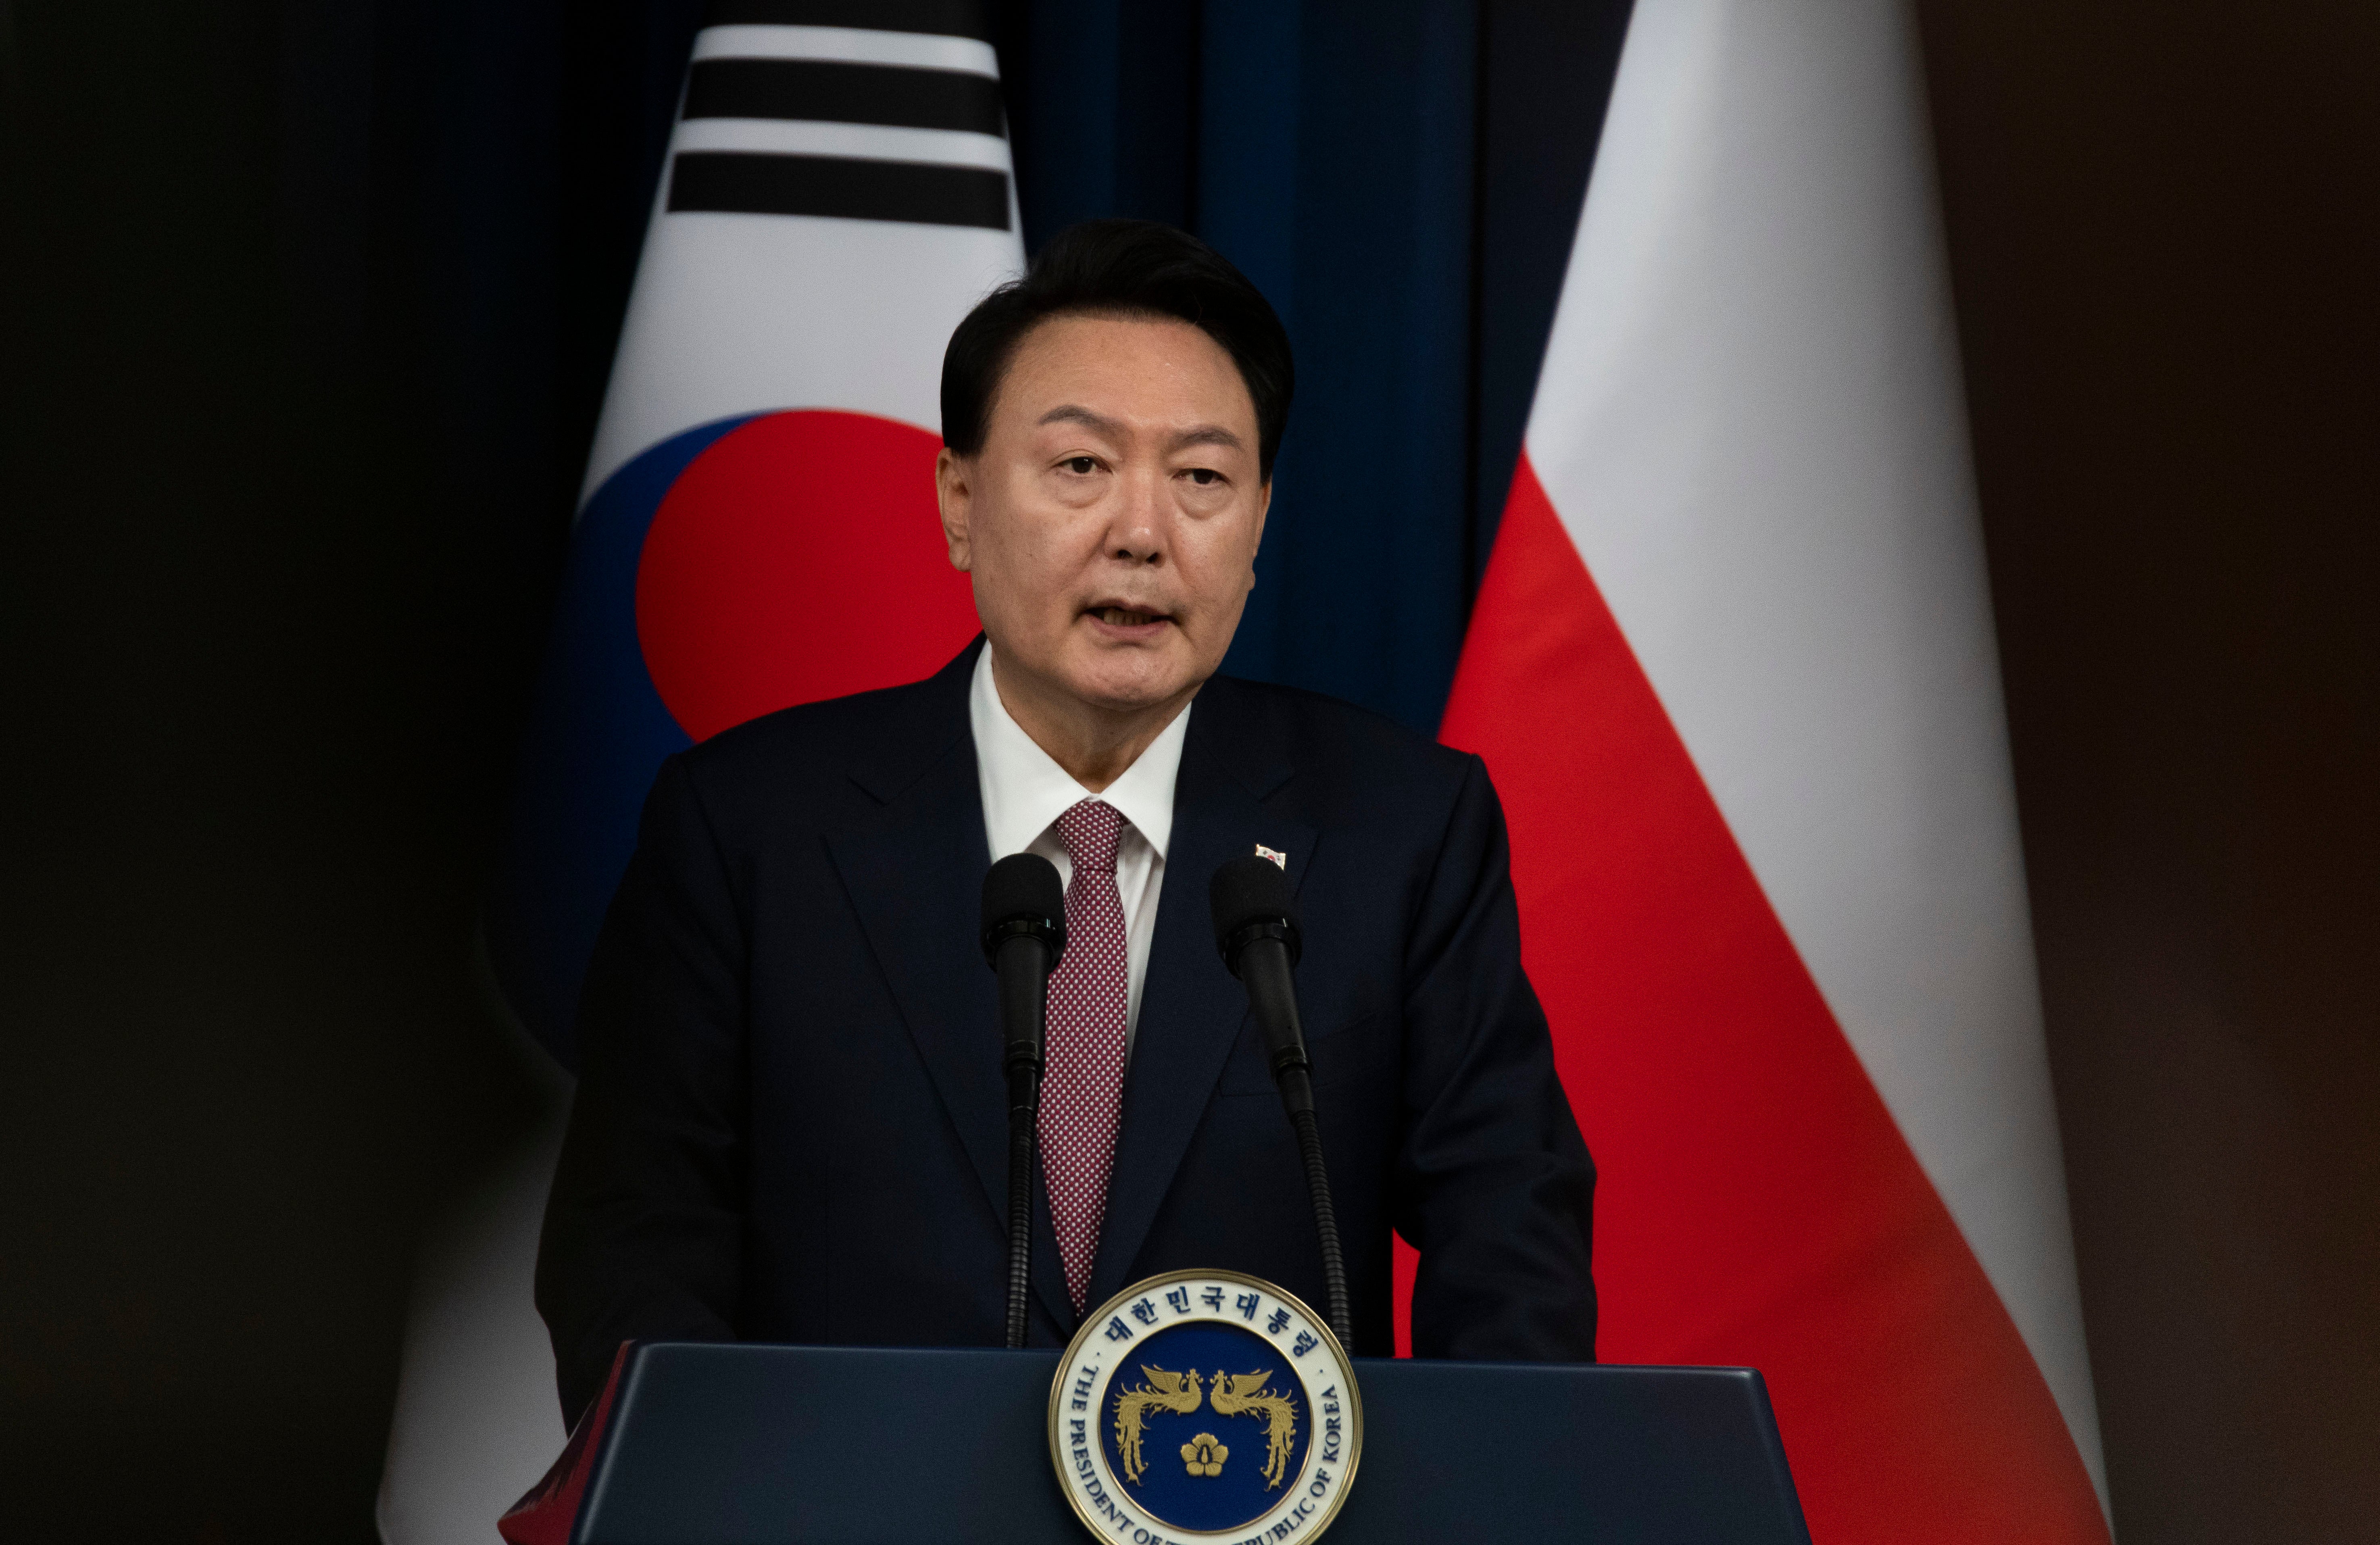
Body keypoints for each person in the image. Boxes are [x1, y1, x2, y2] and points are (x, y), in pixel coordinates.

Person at [536, 219, 1596, 1424]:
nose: (1143, 533)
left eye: (1202, 477)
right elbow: (633, 1242)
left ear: (1257, 528)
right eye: (1081, 467)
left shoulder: (1399, 827)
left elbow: (1511, 1240)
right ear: (960, 502)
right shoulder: (749, 829)